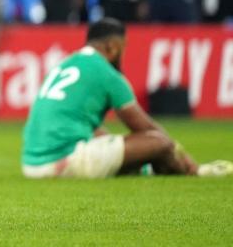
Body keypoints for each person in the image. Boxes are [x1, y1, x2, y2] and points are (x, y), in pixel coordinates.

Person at [21, 18, 232, 179]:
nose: (123, 53)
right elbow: (145, 127)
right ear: (112, 47)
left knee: (114, 141)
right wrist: (182, 155)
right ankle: (192, 173)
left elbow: (85, 126)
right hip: (64, 161)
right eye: (123, 47)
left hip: (31, 165)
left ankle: (145, 168)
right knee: (158, 142)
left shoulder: (65, 64)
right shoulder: (106, 73)